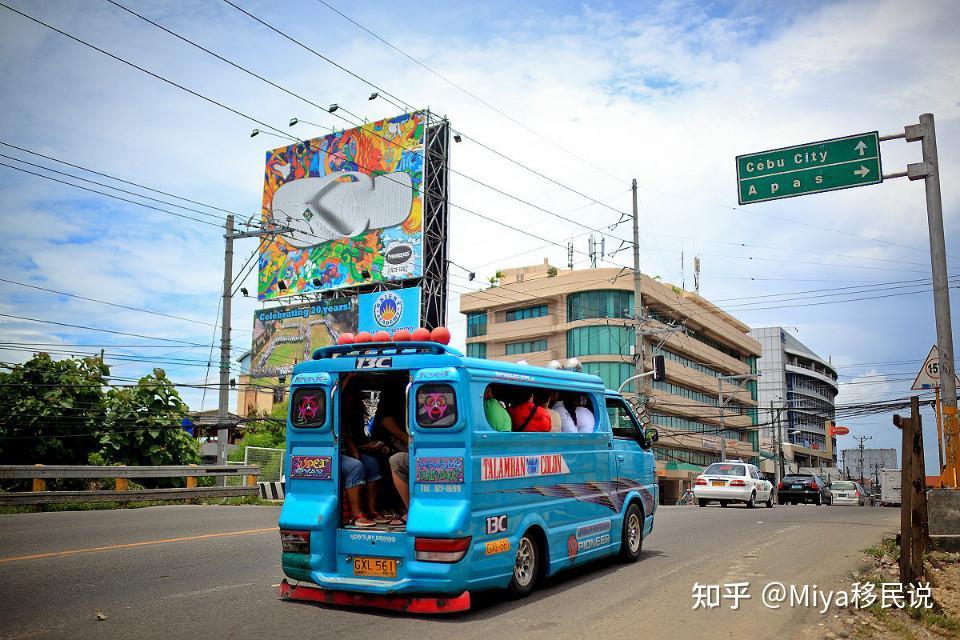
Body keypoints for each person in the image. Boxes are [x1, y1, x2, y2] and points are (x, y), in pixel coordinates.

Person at [339, 388, 382, 527]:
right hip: (331, 456)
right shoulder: (335, 414)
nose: (351, 402)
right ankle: (356, 514)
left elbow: (355, 444)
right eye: (349, 399)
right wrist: (356, 450)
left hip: (347, 454)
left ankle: (371, 510)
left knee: (372, 463)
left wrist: (366, 447)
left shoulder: (354, 420)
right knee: (355, 467)